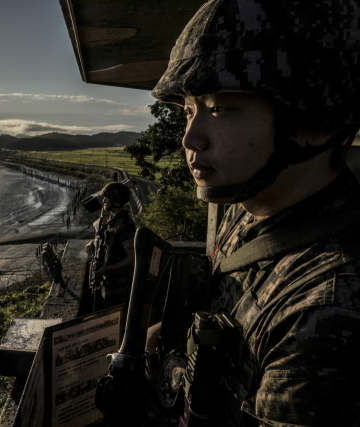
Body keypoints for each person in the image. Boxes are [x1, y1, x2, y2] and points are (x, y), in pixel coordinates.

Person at [143, 0, 360, 425]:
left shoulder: (328, 313)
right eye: (189, 110)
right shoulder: (249, 212)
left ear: (317, 122)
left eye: (221, 108)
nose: (190, 138)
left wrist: (161, 369)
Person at [85, 182, 136, 310]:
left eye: (106, 198)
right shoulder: (114, 220)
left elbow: (132, 258)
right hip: (110, 282)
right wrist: (93, 243)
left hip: (119, 285)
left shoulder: (125, 225)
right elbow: (109, 240)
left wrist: (108, 268)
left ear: (115, 200)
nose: (104, 201)